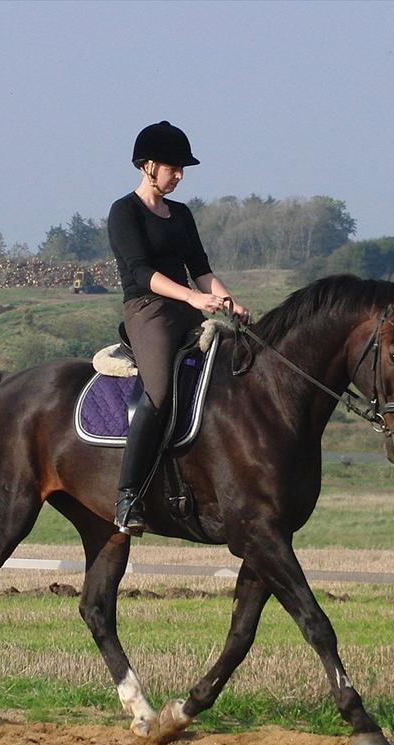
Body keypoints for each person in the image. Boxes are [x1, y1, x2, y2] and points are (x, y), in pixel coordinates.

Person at [106, 121, 250, 535]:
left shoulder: (181, 214)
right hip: (149, 310)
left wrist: (228, 302)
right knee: (160, 392)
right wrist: (192, 298)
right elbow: (142, 272)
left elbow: (201, 270)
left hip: (190, 307)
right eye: (174, 167)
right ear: (148, 165)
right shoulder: (124, 212)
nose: (180, 175)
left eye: (183, 169)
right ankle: (128, 495)